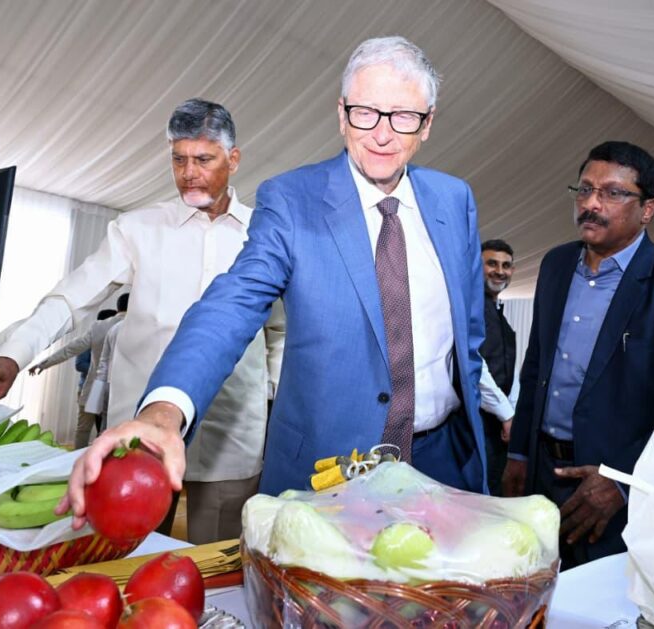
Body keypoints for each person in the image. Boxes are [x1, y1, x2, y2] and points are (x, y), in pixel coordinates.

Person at [63, 35, 489, 525]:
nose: (382, 134)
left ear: (428, 123)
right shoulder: (292, 199)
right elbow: (232, 305)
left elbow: (468, 336)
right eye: (365, 112)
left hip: (442, 461)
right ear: (341, 112)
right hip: (331, 469)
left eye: (403, 116)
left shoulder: (454, 201)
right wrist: (164, 410)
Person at [0, 98, 285, 543]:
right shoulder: (136, 229)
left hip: (232, 432)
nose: (188, 173)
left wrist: (270, 400)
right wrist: (11, 357)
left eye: (203, 159)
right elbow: (71, 300)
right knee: (122, 553)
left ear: (233, 159)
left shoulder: (264, 234)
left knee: (214, 565)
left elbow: (278, 331)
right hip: (138, 430)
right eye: (178, 160)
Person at [503, 141, 654, 568]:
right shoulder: (556, 265)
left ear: (648, 209)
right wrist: (519, 452)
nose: (591, 204)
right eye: (584, 190)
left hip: (621, 498)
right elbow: (537, 363)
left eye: (612, 193)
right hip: (541, 475)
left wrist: (625, 481)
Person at [28, 306, 120, 448]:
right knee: (108, 430)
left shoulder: (99, 327)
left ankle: (76, 462)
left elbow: (71, 348)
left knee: (83, 429)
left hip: (95, 386)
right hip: (120, 390)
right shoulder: (138, 326)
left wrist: (44, 364)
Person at [479, 239, 517, 495]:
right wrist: (507, 413)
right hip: (476, 425)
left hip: (497, 427)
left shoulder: (497, 311)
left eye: (506, 265)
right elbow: (474, 366)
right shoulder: (471, 306)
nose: (500, 271)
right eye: (491, 263)